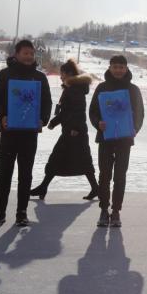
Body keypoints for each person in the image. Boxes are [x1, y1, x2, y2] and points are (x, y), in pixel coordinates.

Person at [0, 40, 52, 226]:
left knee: (26, 174)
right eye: (25, 53)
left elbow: (46, 102)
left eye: (31, 54)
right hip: (9, 132)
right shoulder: (5, 75)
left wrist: (43, 119)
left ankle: (21, 213)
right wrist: (2, 116)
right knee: (5, 173)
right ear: (16, 54)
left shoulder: (40, 78)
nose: (29, 57)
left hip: (29, 134)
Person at [30, 59, 98, 201]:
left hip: (74, 132)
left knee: (59, 158)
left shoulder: (74, 89)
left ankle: (43, 187)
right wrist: (54, 122)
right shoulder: (71, 88)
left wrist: (74, 128)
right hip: (73, 131)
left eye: (62, 73)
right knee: (81, 160)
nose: (61, 76)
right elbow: (66, 111)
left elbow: (78, 111)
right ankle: (95, 188)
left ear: (68, 74)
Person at [89, 55, 144, 228]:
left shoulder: (133, 89)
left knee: (120, 176)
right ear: (110, 67)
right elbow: (92, 111)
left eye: (121, 67)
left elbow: (139, 113)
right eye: (115, 67)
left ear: (126, 68)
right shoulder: (102, 87)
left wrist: (135, 128)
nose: (118, 70)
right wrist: (98, 123)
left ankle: (116, 211)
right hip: (105, 138)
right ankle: (104, 210)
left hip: (124, 139)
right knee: (104, 175)